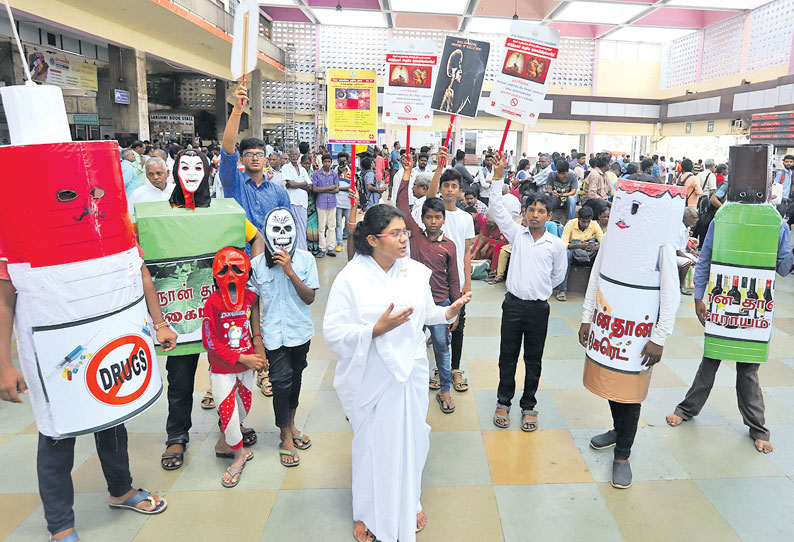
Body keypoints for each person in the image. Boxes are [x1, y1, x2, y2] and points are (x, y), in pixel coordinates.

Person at [324, 204, 470, 542]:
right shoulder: (351, 278)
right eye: (397, 233)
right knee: (372, 447)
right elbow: (333, 332)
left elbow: (425, 313)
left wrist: (448, 311)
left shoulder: (413, 271)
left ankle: (411, 499)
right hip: (373, 378)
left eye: (406, 231)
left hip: (411, 373)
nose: (406, 239)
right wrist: (374, 329)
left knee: (414, 439)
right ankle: (366, 512)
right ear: (374, 239)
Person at [666, 174, 794, 454]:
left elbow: (784, 268)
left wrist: (785, 239)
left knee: (748, 370)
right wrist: (699, 296)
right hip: (723, 302)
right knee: (710, 359)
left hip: (755, 307)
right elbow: (706, 259)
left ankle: (758, 428)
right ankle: (687, 409)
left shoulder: (777, 225)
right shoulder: (721, 221)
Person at [578, 179, 683, 489]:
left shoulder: (661, 247)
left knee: (631, 395)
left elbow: (671, 295)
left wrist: (659, 337)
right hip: (609, 328)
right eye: (624, 206)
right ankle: (616, 430)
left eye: (635, 208)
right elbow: (596, 278)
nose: (625, 215)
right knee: (611, 385)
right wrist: (587, 319)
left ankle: (623, 453)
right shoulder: (612, 238)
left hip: (640, 337)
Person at [489, 154, 566, 432]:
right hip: (512, 306)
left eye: (540, 211)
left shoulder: (555, 245)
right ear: (524, 213)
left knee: (533, 357)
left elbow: (558, 275)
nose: (534, 214)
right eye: (530, 210)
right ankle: (504, 401)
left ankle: (529, 405)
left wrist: (540, 291)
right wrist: (498, 177)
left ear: (549, 215)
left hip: (537, 309)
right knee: (507, 355)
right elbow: (496, 208)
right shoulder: (515, 235)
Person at [250, 206, 319, 467]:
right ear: (267, 233)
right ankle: (284, 435)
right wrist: (257, 339)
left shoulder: (305, 260)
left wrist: (290, 271)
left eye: (287, 229)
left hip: (299, 332)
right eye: (275, 230)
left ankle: (291, 424)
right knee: (280, 382)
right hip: (272, 336)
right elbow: (253, 303)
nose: (281, 235)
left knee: (296, 378)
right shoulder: (257, 265)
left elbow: (310, 297)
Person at [396, 154, 460, 413]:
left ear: (444, 219)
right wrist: (407, 173)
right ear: (422, 219)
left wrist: (455, 309)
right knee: (410, 347)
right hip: (414, 303)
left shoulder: (450, 246)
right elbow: (401, 203)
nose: (433, 222)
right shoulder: (414, 237)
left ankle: (445, 391)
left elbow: (454, 279)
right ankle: (408, 388)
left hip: (441, 304)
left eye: (438, 217)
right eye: (429, 217)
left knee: (443, 350)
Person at [202, 248, 265, 487]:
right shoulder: (212, 303)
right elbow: (210, 341)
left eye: (237, 269)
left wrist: (257, 352)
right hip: (222, 369)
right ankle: (239, 455)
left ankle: (224, 443)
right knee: (228, 414)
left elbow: (253, 322)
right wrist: (242, 359)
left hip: (246, 367)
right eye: (224, 269)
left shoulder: (250, 298)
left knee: (243, 408)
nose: (231, 275)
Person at [426, 159, 475, 393]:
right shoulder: (433, 214)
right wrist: (438, 169)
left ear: (459, 190)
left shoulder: (465, 218)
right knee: (437, 324)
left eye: (453, 186)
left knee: (458, 324)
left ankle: (454, 368)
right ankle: (439, 368)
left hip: (456, 281)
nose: (449, 190)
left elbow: (466, 252)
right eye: (445, 185)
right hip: (435, 278)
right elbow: (427, 198)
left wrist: (467, 282)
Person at [220, 82, 289, 238]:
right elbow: (227, 149)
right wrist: (237, 111)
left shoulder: (278, 193)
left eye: (259, 154)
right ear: (242, 159)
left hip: (270, 257)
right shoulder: (233, 182)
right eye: (250, 154)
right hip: (240, 255)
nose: (255, 158)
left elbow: (287, 226)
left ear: (266, 159)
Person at [556, 206, 603, 302]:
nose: (586, 224)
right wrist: (579, 245)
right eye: (583, 221)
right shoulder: (570, 224)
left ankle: (595, 291)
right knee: (566, 254)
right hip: (574, 251)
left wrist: (595, 247)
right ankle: (561, 291)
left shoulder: (594, 224)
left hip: (589, 252)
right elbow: (563, 244)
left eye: (588, 222)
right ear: (579, 219)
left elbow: (603, 242)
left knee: (602, 254)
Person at [282, 147, 313, 251]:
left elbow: (309, 186)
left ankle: (302, 250)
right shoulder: (286, 168)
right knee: (292, 228)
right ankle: (293, 250)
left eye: (296, 155)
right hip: (292, 201)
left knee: (302, 228)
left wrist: (297, 184)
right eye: (292, 155)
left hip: (302, 203)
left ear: (299, 155)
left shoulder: (303, 169)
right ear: (289, 156)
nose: (294, 156)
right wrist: (303, 183)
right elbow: (289, 184)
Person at [311, 153, 340, 258]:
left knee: (332, 226)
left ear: (331, 162)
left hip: (332, 203)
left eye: (329, 162)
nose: (327, 163)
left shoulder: (334, 174)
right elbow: (314, 189)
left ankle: (331, 248)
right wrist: (329, 188)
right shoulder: (317, 174)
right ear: (322, 162)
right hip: (321, 203)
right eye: (325, 161)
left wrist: (322, 189)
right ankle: (322, 248)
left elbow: (336, 189)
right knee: (321, 227)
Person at [580, 153, 613, 217]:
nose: (610, 165)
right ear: (606, 164)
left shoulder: (605, 175)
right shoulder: (594, 174)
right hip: (589, 203)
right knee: (602, 203)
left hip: (602, 200)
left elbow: (611, 189)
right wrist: (607, 203)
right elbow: (592, 194)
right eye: (609, 163)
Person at [677, 207, 699, 295]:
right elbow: (677, 250)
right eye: (694, 218)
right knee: (687, 262)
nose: (696, 220)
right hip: (676, 254)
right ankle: (681, 286)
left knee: (700, 260)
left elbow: (685, 244)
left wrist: (692, 251)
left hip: (683, 253)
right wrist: (689, 258)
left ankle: (693, 283)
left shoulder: (687, 228)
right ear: (686, 218)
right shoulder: (679, 229)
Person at [304, 154, 321, 258]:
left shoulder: (314, 174)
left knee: (313, 228)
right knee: (303, 228)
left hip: (313, 203)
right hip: (303, 204)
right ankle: (305, 248)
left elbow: (315, 187)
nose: (306, 165)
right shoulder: (299, 174)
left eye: (308, 163)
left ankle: (314, 249)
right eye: (305, 163)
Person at [335, 164, 353, 253]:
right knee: (338, 225)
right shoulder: (335, 173)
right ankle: (339, 243)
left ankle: (345, 237)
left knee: (348, 223)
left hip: (348, 203)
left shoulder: (351, 173)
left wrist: (339, 188)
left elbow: (351, 187)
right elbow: (334, 187)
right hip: (338, 203)